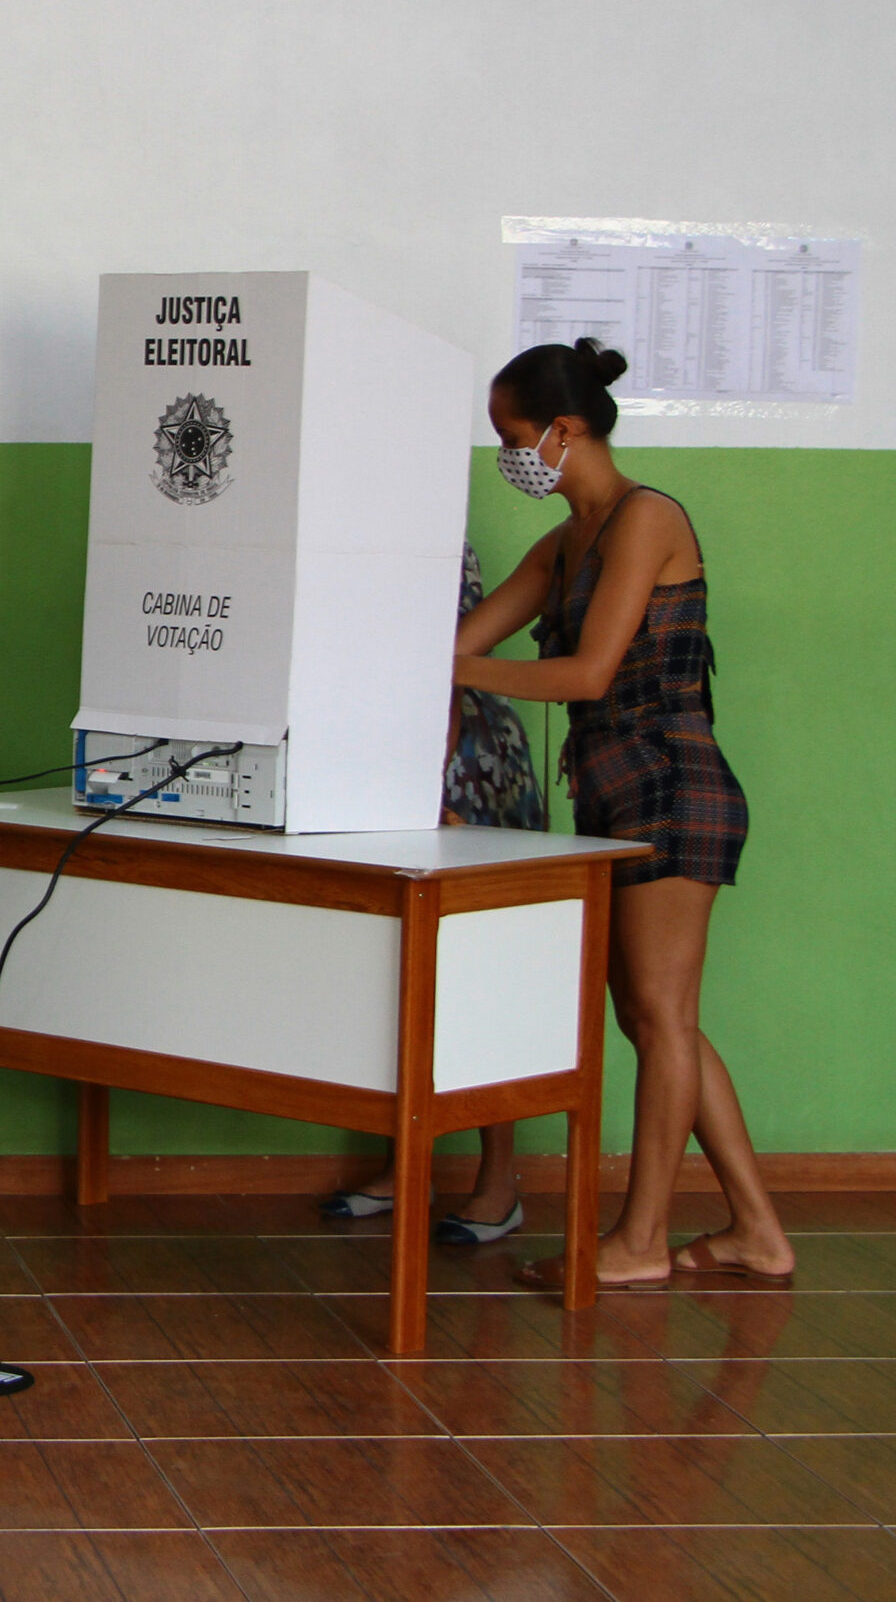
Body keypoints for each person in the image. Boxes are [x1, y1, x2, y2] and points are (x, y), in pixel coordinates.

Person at [453, 338, 791, 1288]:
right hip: (612, 796)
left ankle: (640, 1243)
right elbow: (469, 640)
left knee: (659, 1014)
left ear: (565, 429)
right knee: (658, 1019)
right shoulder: (562, 546)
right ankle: (757, 1232)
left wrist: (448, 670)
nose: (510, 458)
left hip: (674, 786)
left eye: (512, 437)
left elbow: (586, 673)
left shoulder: (648, 519)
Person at [319, 542, 547, 1243]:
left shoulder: (430, 529)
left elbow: (440, 666)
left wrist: (427, 772)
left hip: (464, 761)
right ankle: (406, 1165)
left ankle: (498, 1182)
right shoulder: (343, 514)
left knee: (487, 976)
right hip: (396, 740)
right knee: (400, 970)